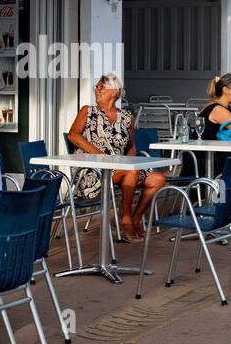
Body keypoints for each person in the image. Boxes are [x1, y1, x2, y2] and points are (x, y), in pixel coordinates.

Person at [67, 73, 165, 242]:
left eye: (100, 87)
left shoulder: (127, 117)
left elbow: (131, 147)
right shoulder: (88, 112)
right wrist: (100, 154)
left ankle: (135, 218)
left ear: (114, 91)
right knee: (130, 172)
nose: (96, 90)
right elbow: (73, 135)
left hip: (119, 169)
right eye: (96, 87)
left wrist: (131, 161)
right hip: (93, 172)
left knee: (158, 179)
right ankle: (125, 219)